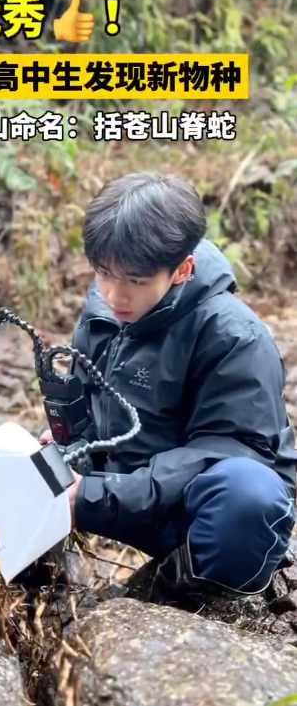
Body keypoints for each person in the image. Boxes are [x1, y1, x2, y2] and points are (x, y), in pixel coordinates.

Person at [41, 171, 296, 607]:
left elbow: (230, 450)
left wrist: (95, 496)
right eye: (103, 273)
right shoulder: (106, 309)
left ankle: (184, 601)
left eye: (136, 281)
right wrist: (72, 445)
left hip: (196, 514)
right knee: (17, 467)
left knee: (248, 494)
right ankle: (37, 596)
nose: (115, 295)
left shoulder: (234, 336)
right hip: (124, 491)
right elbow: (94, 409)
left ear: (183, 269)